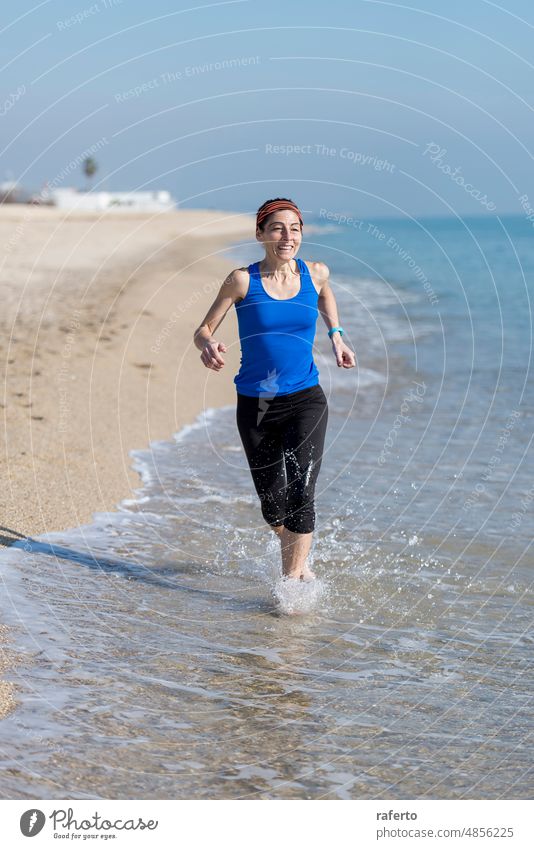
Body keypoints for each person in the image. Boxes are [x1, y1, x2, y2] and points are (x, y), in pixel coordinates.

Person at [193, 198, 355, 581]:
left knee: (303, 489)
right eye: (278, 228)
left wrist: (336, 335)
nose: (288, 236)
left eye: (295, 228)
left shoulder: (315, 273)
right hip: (257, 404)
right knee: (274, 506)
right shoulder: (242, 280)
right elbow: (203, 330)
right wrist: (207, 346)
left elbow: (325, 292)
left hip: (306, 399)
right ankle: (298, 553)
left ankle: (291, 586)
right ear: (261, 234)